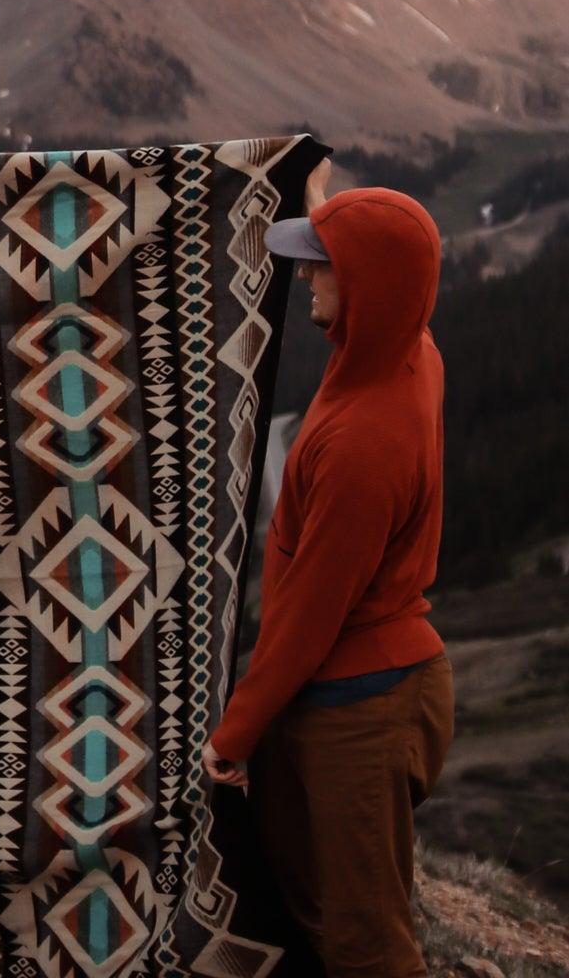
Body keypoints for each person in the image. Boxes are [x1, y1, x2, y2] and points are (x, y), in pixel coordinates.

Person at [202, 160, 452, 978]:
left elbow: (310, 614)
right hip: (354, 698)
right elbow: (394, 263)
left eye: (322, 261)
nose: (304, 273)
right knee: (308, 906)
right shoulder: (411, 354)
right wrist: (323, 197)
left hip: (361, 711)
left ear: (368, 284)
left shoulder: (360, 445)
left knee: (364, 943)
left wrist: (235, 734)